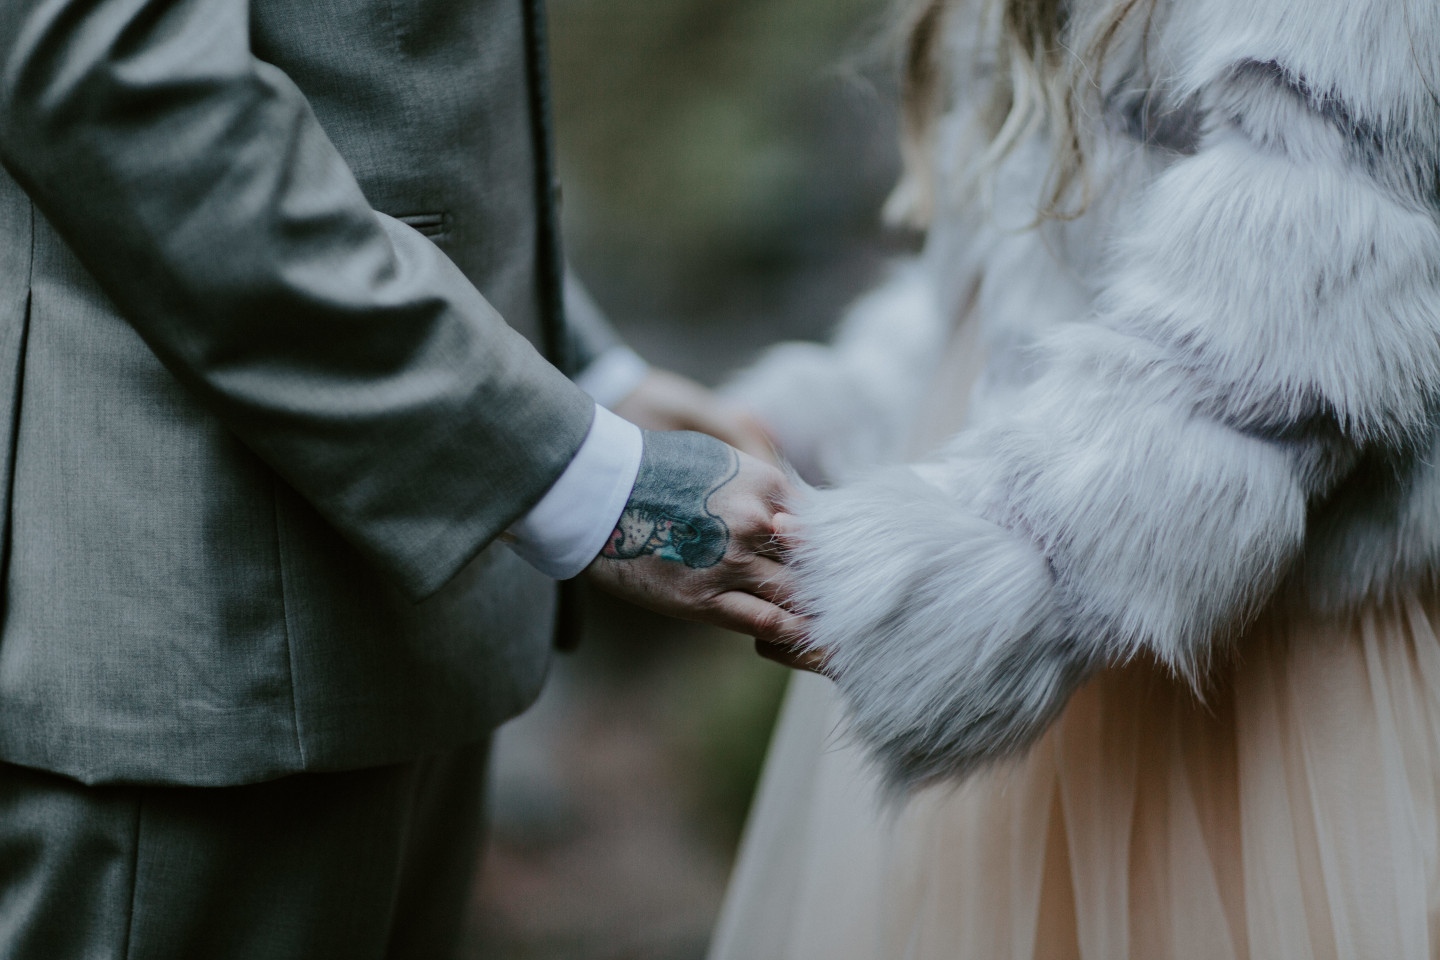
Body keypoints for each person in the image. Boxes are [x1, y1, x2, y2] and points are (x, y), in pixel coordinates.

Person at [0, 0, 801, 956]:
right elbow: (115, 74)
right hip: (198, 638)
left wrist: (579, 377)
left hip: (414, 611)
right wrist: (571, 471)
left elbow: (384, 82)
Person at [711, 0, 1440, 955]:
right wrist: (843, 409)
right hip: (1042, 523)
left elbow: (1281, 333)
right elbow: (1023, 253)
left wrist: (992, 576)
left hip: (1261, 666)